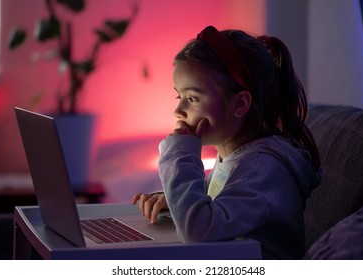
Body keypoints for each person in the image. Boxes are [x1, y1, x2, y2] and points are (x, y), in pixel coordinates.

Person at [132, 25, 321, 259]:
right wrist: (178, 201)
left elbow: (197, 231)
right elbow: (222, 214)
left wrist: (179, 154)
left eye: (192, 98)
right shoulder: (236, 156)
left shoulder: (262, 168)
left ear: (239, 104)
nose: (178, 111)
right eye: (179, 96)